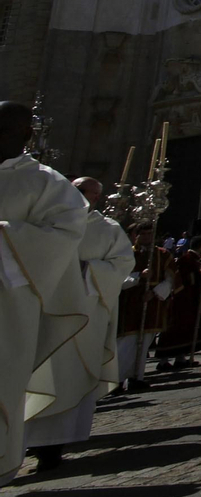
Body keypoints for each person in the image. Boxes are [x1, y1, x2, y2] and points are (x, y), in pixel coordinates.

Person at [0, 101, 88, 486]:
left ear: (25, 135)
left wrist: (4, 236)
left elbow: (65, 236)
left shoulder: (47, 183)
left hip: (9, 307)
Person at [24, 178, 133, 474]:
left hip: (84, 316)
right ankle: (24, 441)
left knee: (68, 376)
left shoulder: (107, 229)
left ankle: (53, 446)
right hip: (43, 313)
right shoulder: (44, 222)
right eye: (82, 191)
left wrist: (87, 271)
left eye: (93, 194)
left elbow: (123, 264)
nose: (88, 198)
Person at [116, 221, 177, 390]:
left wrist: (155, 292)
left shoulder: (163, 255)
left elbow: (170, 279)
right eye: (142, 234)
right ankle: (117, 379)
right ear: (135, 236)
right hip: (130, 303)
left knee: (143, 344)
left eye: (150, 234)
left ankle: (136, 376)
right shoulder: (126, 254)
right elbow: (118, 278)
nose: (146, 237)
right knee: (126, 344)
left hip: (152, 304)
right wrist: (138, 277)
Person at [156, 234, 201, 370]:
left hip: (190, 300)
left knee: (186, 331)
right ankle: (163, 360)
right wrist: (200, 277)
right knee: (174, 330)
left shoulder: (195, 260)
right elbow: (183, 279)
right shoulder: (186, 259)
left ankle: (180, 357)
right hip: (181, 300)